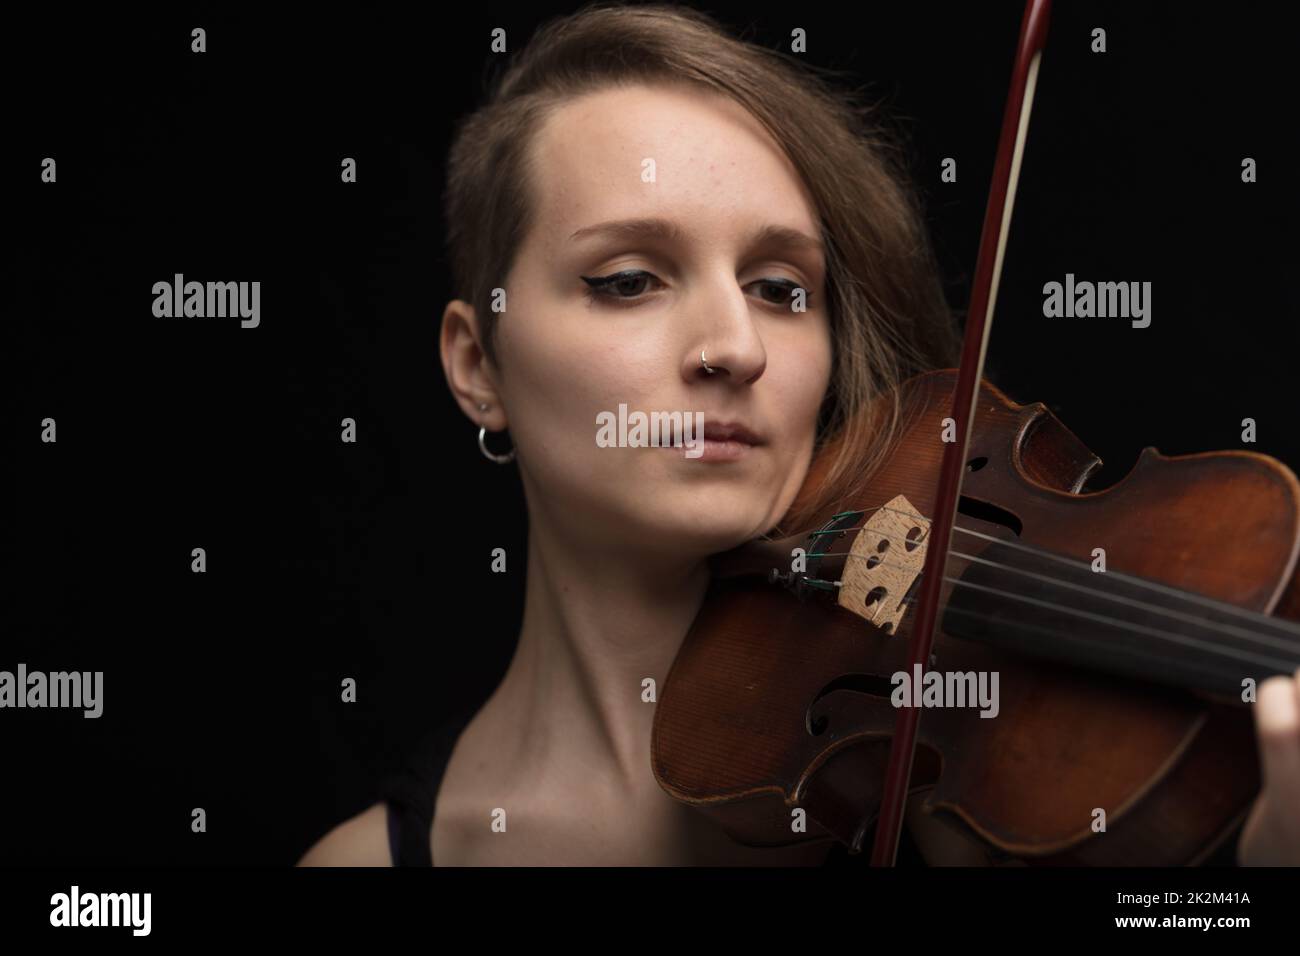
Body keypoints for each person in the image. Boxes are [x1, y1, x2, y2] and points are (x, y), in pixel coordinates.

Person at [298, 2, 1300, 867]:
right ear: (479, 365)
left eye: (781, 289)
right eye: (628, 279)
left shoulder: (955, 792)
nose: (734, 347)